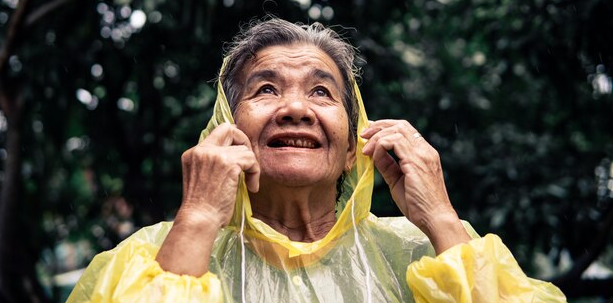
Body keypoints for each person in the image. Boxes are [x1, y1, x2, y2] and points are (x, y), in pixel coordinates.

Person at [67, 18, 567, 303]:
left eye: (322, 92)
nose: (295, 109)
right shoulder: (152, 257)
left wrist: (439, 215)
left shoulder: (425, 254)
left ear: (353, 147)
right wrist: (197, 217)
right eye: (266, 89)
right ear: (227, 127)